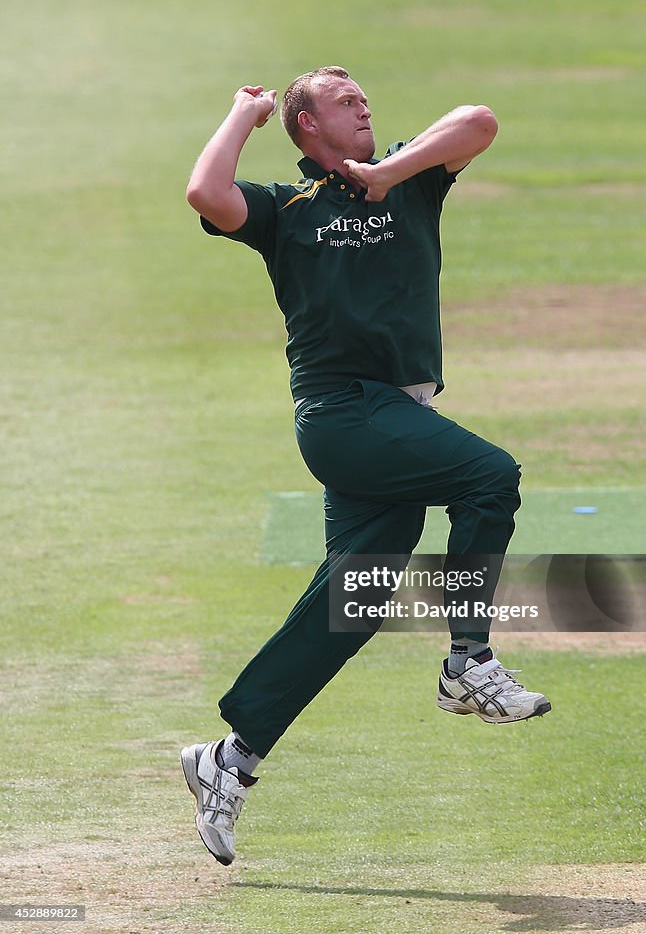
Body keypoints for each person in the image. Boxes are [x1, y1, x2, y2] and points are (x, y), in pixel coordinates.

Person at [181, 66, 551, 867]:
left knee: (354, 602)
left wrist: (389, 171)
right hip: (344, 413)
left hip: (394, 417)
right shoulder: (288, 209)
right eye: (345, 103)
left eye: (365, 101)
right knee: (490, 477)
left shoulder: (410, 181)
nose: (364, 110)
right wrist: (242, 116)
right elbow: (205, 193)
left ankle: (230, 760)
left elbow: (479, 119)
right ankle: (469, 660)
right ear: (306, 125)